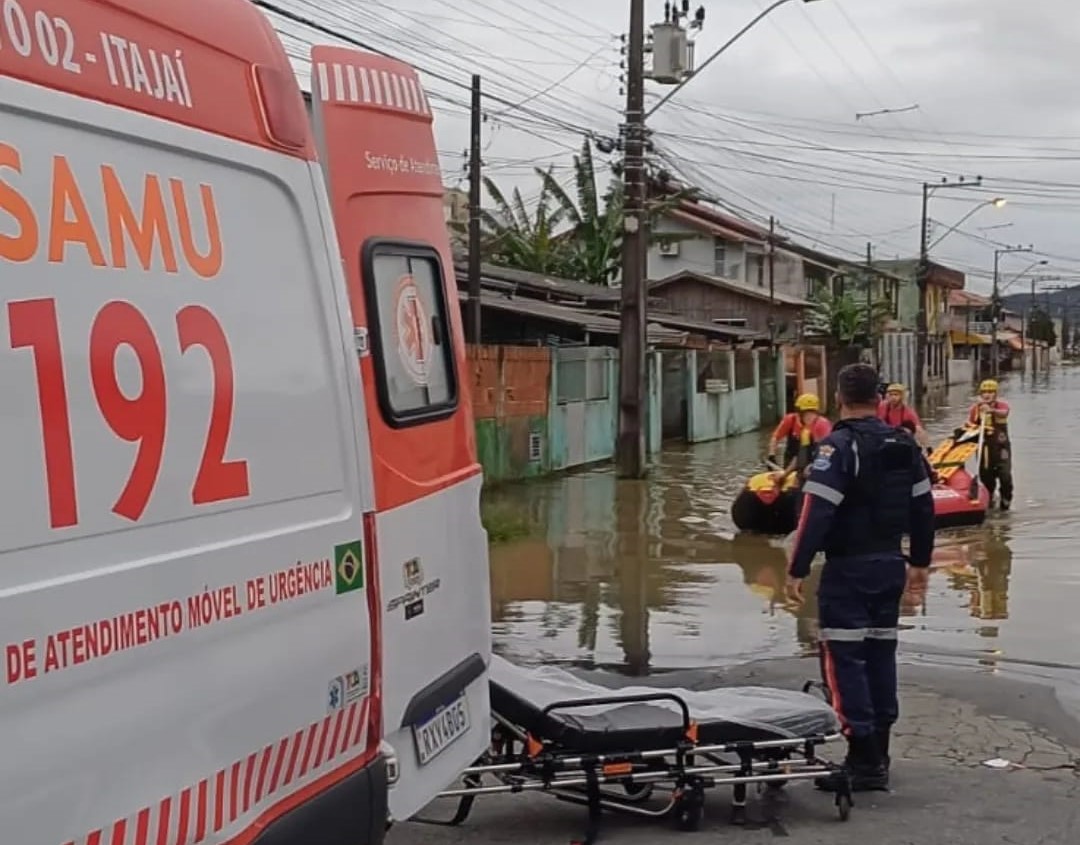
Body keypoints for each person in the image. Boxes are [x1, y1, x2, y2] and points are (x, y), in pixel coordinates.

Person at [784, 363, 935, 792]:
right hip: (890, 566)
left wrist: (797, 567)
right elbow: (924, 508)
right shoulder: (904, 445)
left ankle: (864, 759)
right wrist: (919, 562)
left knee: (844, 658)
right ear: (879, 399)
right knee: (880, 655)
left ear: (839, 399)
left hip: (849, 569)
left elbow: (816, 512)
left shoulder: (837, 447)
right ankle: (878, 754)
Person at [966, 379, 1013, 510]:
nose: (987, 395)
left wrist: (991, 410)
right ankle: (990, 499)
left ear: (995, 394)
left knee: (1005, 476)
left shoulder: (1001, 406)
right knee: (986, 477)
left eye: (990, 392)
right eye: (984, 392)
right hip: (984, 448)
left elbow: (1004, 413)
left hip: (1001, 449)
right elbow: (970, 425)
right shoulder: (975, 409)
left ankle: (1006, 500)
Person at [767, 393, 832, 475]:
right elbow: (776, 437)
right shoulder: (791, 420)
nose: (810, 417)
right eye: (806, 413)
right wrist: (771, 455)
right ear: (799, 413)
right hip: (794, 457)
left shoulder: (822, 425)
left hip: (813, 461)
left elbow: (828, 449)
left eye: (812, 412)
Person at [877, 383, 931, 451]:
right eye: (891, 395)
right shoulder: (881, 406)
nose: (893, 397)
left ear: (902, 396)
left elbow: (919, 430)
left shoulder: (909, 413)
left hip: (900, 441)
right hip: (883, 438)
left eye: (896, 395)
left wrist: (928, 448)